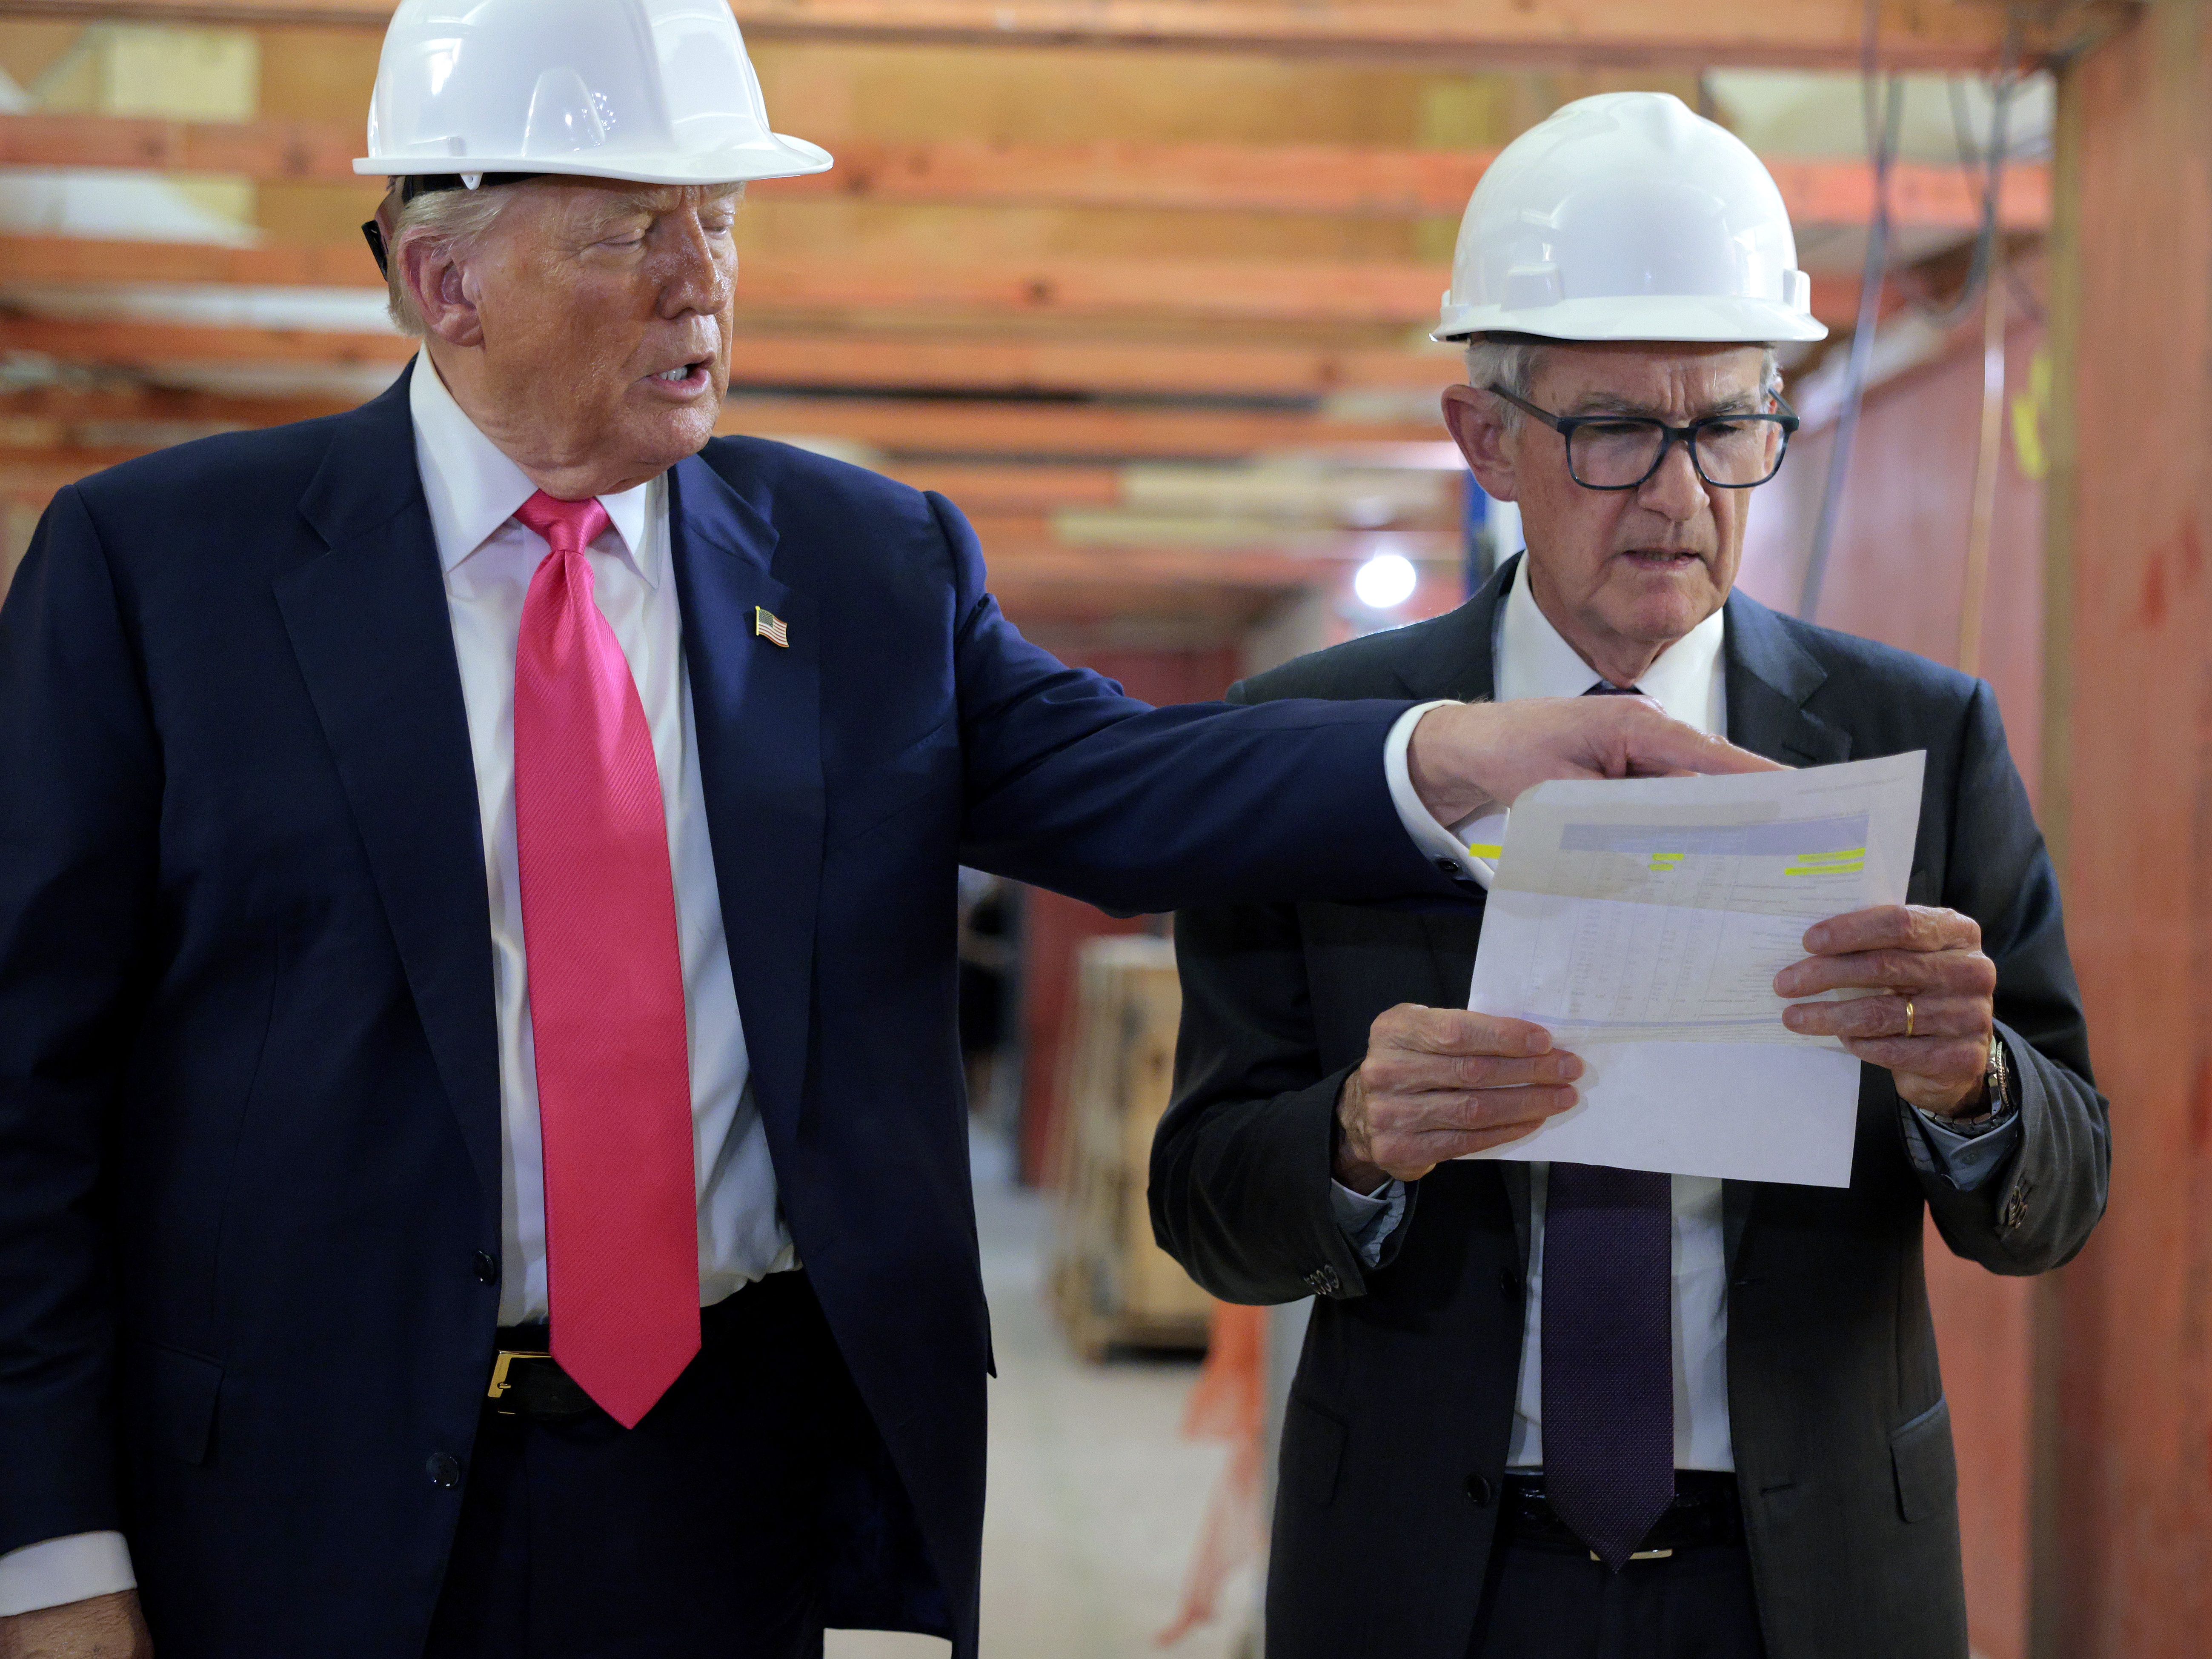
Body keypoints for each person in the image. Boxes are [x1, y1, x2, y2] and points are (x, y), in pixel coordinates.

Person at [0, 13, 1771, 1656]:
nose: (705, 284)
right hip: (292, 1498)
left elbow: (1129, 786)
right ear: (441, 277)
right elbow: (27, 1101)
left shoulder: (858, 566)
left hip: (716, 1482)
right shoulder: (166, 575)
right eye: (635, 231)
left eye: (722, 222)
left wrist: (1459, 757)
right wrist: (53, 1552)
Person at [1152, 92, 2107, 1659]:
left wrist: (1972, 1087)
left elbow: (2060, 1194)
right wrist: (1351, 1140)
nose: (1680, 494)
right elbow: (1202, 1201)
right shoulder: (1317, 743)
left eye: (1728, 424)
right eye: (1614, 430)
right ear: (1488, 441)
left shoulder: (1917, 735)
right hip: (1430, 1576)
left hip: (1808, 1582)